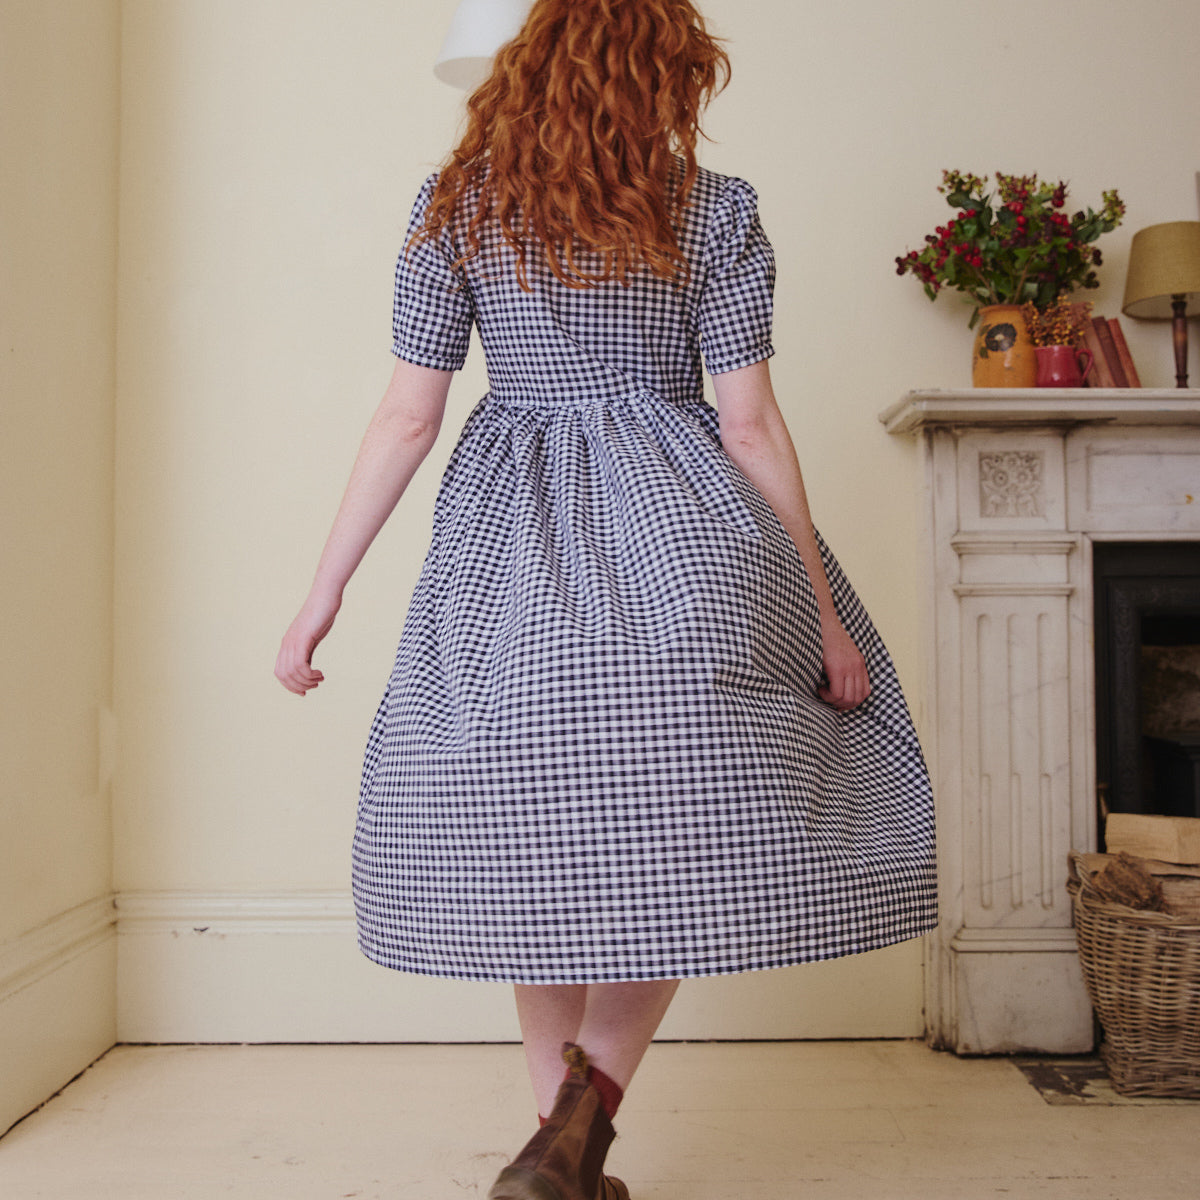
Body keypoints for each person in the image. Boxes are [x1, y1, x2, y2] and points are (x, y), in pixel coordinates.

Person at [275, 2, 936, 1197]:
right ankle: (584, 1126)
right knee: (672, 837)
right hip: (690, 537)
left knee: (543, 847)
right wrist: (825, 615)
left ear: (529, 70)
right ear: (664, 77)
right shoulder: (712, 208)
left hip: (509, 547)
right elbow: (748, 426)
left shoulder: (458, 206)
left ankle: (553, 1144)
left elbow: (408, 416)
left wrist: (322, 591)